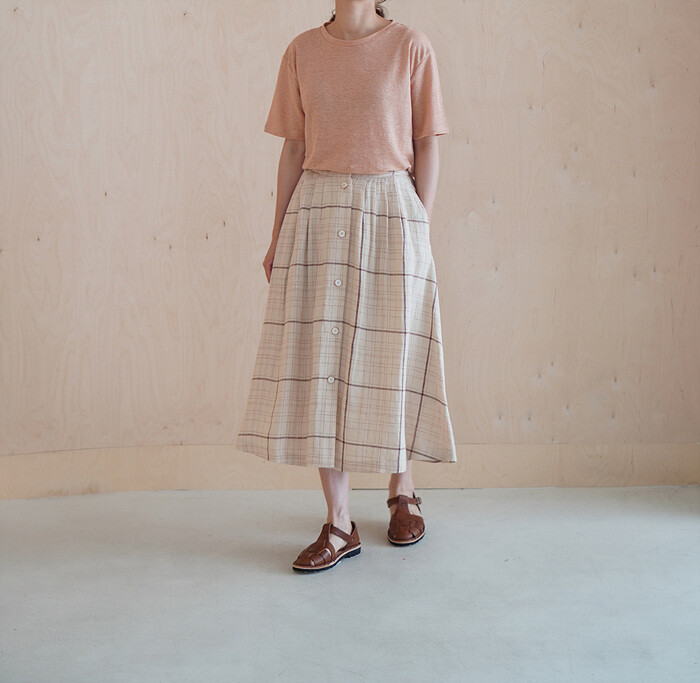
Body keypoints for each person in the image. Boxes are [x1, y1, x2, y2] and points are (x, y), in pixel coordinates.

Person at [236, 0, 457, 572]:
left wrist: (420, 226)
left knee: (393, 352)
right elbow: (293, 148)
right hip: (317, 209)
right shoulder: (302, 51)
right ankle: (339, 523)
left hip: (392, 205)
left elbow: (428, 142)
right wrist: (277, 236)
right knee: (324, 362)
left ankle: (402, 489)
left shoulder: (410, 47)